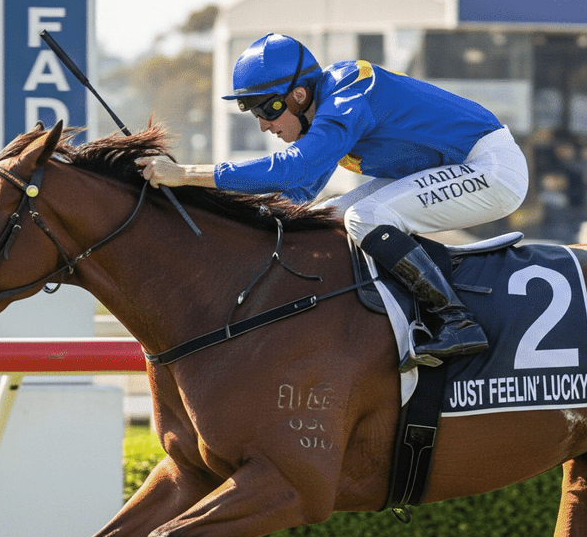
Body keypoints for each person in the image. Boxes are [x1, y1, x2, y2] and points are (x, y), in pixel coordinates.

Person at [136, 33, 528, 371]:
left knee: (365, 215)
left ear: (299, 94)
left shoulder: (346, 96)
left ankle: (457, 322)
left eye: (267, 108)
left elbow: (292, 169)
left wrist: (187, 174)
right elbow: (297, 195)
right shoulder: (326, 113)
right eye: (254, 112)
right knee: (325, 216)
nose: (264, 124)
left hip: (491, 167)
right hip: (459, 167)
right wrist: (204, 206)